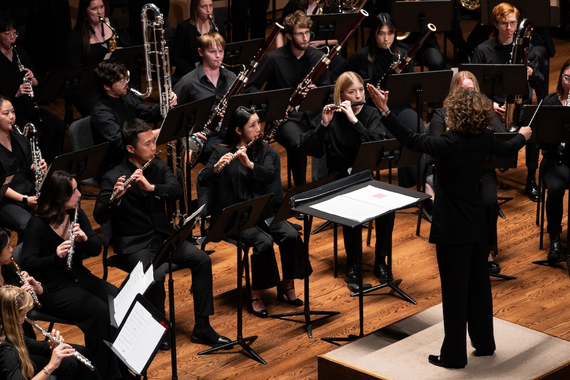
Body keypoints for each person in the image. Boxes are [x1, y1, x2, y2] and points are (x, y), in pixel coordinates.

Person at [368, 84, 531, 368]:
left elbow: (412, 139)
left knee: (455, 293)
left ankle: (454, 356)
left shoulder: (447, 143)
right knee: (479, 287)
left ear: (456, 113)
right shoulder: (484, 139)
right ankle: (484, 344)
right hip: (477, 224)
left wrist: (384, 110)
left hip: (452, 228)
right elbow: (508, 148)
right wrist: (523, 136)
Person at [93, 119, 230, 348]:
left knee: (202, 260)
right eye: (147, 144)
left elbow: (176, 190)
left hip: (163, 238)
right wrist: (114, 199)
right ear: (130, 149)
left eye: (154, 141)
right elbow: (99, 215)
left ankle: (203, 327)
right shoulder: (112, 176)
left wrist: (152, 188)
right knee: (155, 278)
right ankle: (158, 330)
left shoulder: (157, 167)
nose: (153, 147)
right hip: (135, 245)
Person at [197, 106, 308, 317]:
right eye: (253, 125)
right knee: (263, 242)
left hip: (260, 211)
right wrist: (217, 168)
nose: (259, 129)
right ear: (238, 130)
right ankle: (256, 293)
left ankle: (286, 284)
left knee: (291, 234)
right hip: (233, 217)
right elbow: (202, 179)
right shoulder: (220, 150)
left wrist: (249, 164)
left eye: (259, 123)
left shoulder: (262, 149)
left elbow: (269, 175)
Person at [20, 171, 123, 379]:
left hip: (78, 278)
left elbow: (96, 249)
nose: (79, 194)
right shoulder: (37, 224)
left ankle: (117, 362)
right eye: (74, 191)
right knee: (100, 312)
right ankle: (108, 373)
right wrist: (55, 257)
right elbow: (28, 264)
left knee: (118, 300)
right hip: (50, 289)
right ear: (59, 197)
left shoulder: (76, 213)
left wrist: (85, 239)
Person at [300, 71, 391, 285]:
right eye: (352, 92)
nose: (358, 96)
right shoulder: (330, 116)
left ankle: (380, 260)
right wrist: (323, 126)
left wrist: (354, 120)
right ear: (341, 96)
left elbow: (376, 142)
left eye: (361, 90)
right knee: (354, 210)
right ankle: (352, 261)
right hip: (339, 180)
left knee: (388, 211)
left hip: (366, 178)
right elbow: (310, 148)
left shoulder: (370, 114)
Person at [331, 12, 425, 188]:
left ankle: (423, 182)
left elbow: (410, 88)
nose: (386, 38)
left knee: (419, 129)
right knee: (394, 137)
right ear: (374, 34)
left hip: (397, 108)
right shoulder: (362, 56)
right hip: (370, 110)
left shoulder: (403, 56)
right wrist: (348, 91)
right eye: (381, 33)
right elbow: (335, 74)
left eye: (390, 33)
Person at [428, 71, 506, 274]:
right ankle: (460, 248)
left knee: (489, 202)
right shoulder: (441, 115)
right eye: (462, 90)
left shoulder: (486, 111)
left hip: (482, 170)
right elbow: (437, 146)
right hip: (454, 174)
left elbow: (504, 138)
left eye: (470, 90)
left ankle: (487, 249)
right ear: (454, 93)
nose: (467, 95)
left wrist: (493, 117)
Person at [246, 10, 331, 187]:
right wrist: (270, 110)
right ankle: (300, 192)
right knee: (297, 143)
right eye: (300, 34)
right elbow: (251, 88)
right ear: (288, 36)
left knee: (336, 135)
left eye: (308, 32)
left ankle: (331, 184)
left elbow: (327, 89)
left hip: (314, 114)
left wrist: (316, 91)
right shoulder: (273, 59)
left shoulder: (318, 58)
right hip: (286, 118)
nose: (306, 38)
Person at [472, 2, 544, 202]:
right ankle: (488, 176)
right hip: (494, 107)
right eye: (504, 24)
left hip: (521, 104)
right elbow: (473, 87)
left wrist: (531, 73)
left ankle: (531, 179)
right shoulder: (483, 51)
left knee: (533, 128)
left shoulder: (529, 51)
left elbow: (541, 83)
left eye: (513, 23)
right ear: (496, 24)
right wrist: (491, 105)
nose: (510, 28)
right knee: (492, 130)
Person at [91, 61, 177, 178]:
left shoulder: (125, 98)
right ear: (107, 86)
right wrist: (152, 135)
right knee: (166, 177)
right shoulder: (102, 114)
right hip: (116, 165)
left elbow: (148, 114)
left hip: (136, 156)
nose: (126, 82)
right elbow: (120, 144)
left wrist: (166, 103)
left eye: (126, 77)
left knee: (176, 175)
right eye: (121, 81)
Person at [0, 17, 65, 163]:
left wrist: (31, 77)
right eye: (7, 33)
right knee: (31, 132)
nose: (12, 37)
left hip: (28, 105)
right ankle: (33, 165)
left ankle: (48, 163)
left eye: (14, 33)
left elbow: (37, 82)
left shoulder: (21, 54)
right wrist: (15, 93)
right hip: (9, 110)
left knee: (57, 125)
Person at [0, 286, 101, 380]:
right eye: (23, 314)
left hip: (21, 356)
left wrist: (51, 347)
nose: (26, 317)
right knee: (69, 364)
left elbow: (28, 343)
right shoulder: (6, 350)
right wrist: (51, 366)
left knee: (83, 351)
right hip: (18, 363)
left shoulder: (9, 328)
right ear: (12, 318)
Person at [65, 0, 132, 117]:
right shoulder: (76, 37)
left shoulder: (115, 24)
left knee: (131, 104)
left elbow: (130, 52)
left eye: (102, 7)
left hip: (115, 81)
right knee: (103, 112)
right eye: (94, 9)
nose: (100, 12)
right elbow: (74, 71)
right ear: (85, 12)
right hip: (89, 87)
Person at [0, 96, 47, 242]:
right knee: (28, 225)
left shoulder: (19, 138)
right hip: (5, 200)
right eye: (6, 113)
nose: (12, 117)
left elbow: (27, 165)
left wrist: (37, 167)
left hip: (28, 191)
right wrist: (25, 199)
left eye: (13, 112)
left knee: (55, 212)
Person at [539, 59, 570, 262]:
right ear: (561, 78)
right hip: (554, 159)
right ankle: (555, 239)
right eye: (567, 78)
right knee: (556, 188)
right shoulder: (550, 102)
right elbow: (540, 141)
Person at [170, 0, 224, 80]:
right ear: (195, 8)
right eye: (204, 6)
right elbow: (175, 57)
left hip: (213, 72)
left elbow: (224, 50)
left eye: (210, 6)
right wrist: (196, 72)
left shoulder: (218, 26)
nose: (208, 10)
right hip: (190, 74)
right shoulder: (184, 28)